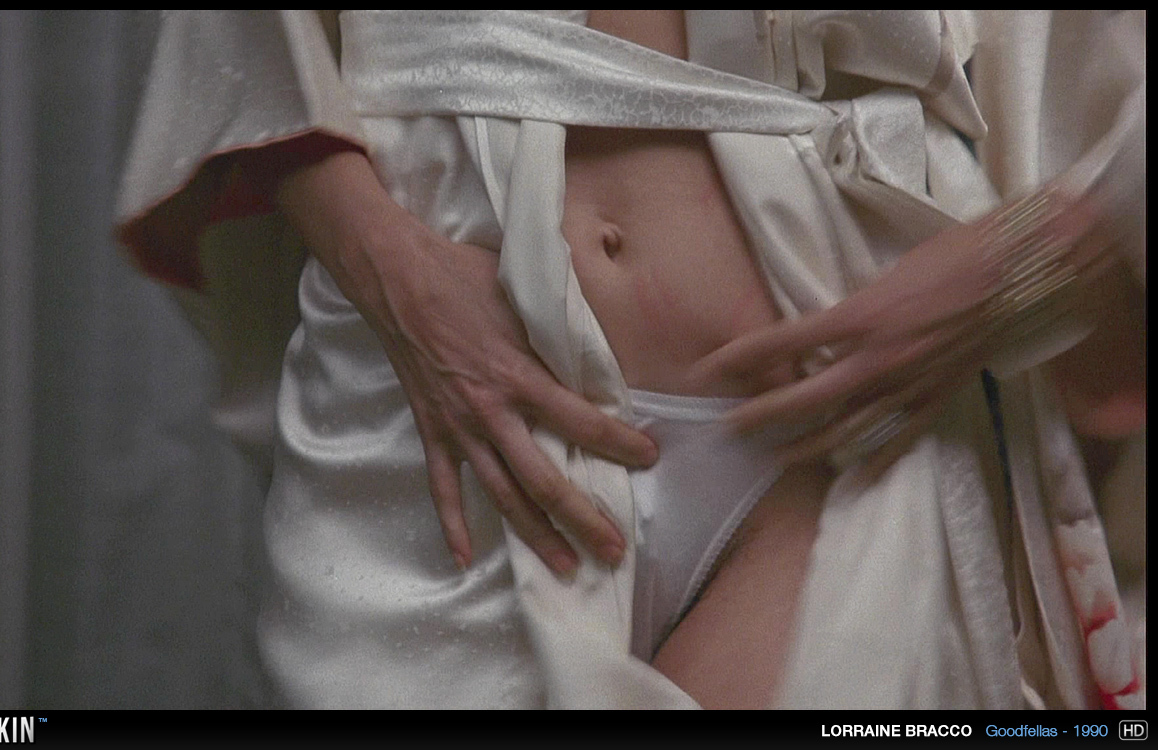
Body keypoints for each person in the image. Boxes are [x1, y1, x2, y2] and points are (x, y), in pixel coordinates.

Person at [117, 10, 1145, 708]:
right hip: (443, 398)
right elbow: (242, 43)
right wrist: (380, 260)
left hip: (839, 413)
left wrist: (1056, 248)